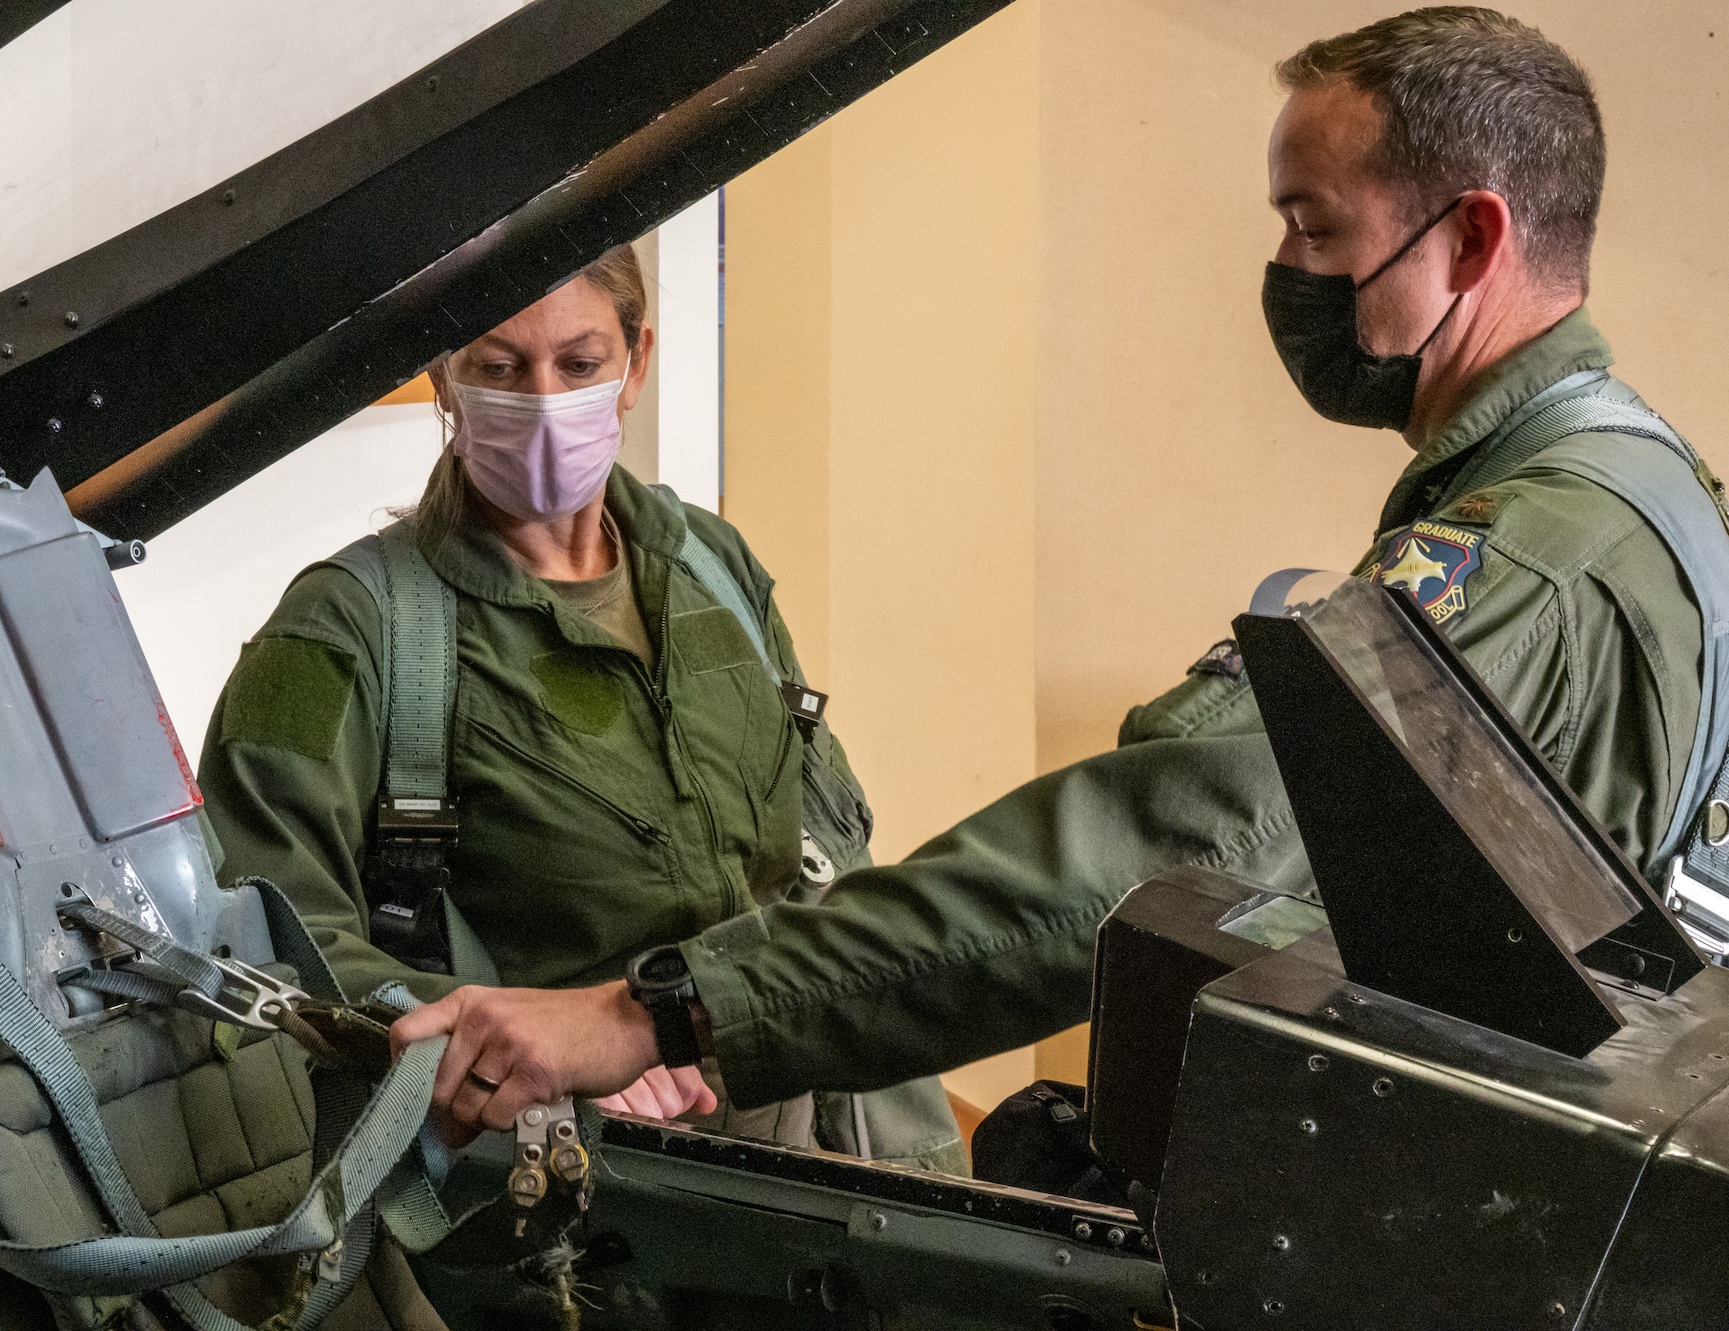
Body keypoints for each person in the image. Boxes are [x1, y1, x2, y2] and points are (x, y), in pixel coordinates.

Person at [391, 8, 1729, 1141]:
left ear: (1473, 242)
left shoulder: (1524, 565)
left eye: (1316, 230)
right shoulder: (1646, 489)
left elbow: (1177, 845)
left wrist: (657, 1011)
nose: (1286, 275)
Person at [196, 243, 964, 1169]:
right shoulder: (344, 630)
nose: (546, 400)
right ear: (445, 372)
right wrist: (522, 1046)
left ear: (636, 363)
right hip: (548, 1180)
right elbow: (265, 940)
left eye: (580, 363)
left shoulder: (714, 571)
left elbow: (825, 857)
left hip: (792, 1152)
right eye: (498, 366)